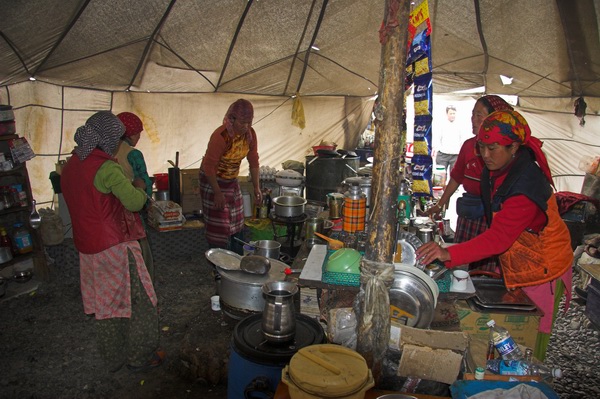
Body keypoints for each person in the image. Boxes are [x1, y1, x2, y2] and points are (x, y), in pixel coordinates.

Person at [417, 110, 573, 361]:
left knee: (529, 341)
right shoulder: (501, 168)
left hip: (544, 269)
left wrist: (448, 252)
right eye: (482, 147)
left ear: (514, 148)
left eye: (493, 149)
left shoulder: (524, 185)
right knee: (509, 336)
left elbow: (499, 238)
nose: (485, 156)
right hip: (520, 259)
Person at [60, 111, 163, 373]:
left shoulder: (71, 165)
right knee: (140, 302)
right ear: (107, 139)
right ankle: (139, 355)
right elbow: (134, 202)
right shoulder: (107, 168)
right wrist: (139, 186)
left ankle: (113, 358)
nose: (119, 144)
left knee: (107, 305)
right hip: (115, 246)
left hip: (88, 248)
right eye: (117, 139)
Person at [428, 95, 514, 271]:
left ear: (495, 118)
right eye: (472, 115)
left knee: (486, 266)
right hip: (469, 214)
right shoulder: (468, 146)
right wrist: (439, 205)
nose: (473, 120)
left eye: (479, 116)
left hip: (492, 218)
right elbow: (457, 177)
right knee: (461, 264)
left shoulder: (508, 155)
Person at [199, 99, 261, 255]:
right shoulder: (220, 136)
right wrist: (217, 193)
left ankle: (237, 259)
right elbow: (209, 166)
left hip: (231, 180)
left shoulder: (250, 135)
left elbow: (253, 161)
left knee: (237, 221)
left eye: (249, 122)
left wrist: (256, 187)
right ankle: (217, 264)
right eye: (242, 122)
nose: (246, 126)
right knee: (218, 225)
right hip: (212, 179)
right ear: (232, 119)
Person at [115, 111, 155, 280]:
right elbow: (144, 185)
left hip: (112, 211)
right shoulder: (133, 154)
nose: (139, 137)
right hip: (131, 210)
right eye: (139, 133)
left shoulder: (107, 150)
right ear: (131, 134)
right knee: (139, 251)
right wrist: (148, 205)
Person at [435, 105, 463, 179]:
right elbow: (437, 138)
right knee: (440, 176)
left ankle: (453, 190)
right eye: (451, 113)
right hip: (443, 154)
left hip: (455, 154)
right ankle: (441, 189)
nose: (452, 115)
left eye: (454, 113)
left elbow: (462, 139)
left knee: (454, 175)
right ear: (447, 114)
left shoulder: (460, 125)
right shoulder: (441, 124)